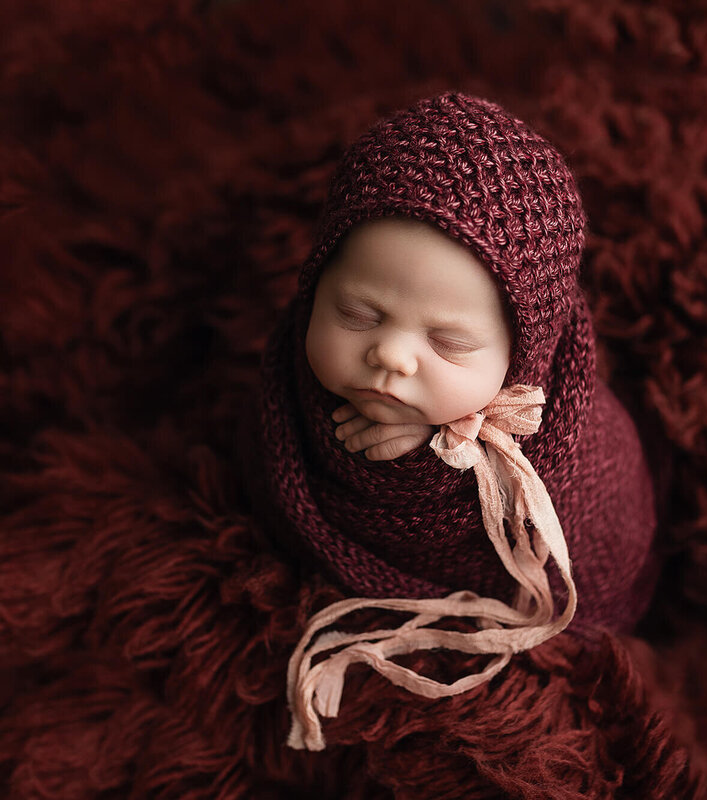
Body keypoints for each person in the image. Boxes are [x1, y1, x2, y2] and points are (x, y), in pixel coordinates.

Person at [245, 92, 659, 750]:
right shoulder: (288, 383)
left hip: (513, 605)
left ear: (523, 356)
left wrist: (437, 458)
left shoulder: (569, 442)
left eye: (449, 343)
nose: (390, 355)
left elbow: (594, 529)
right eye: (356, 313)